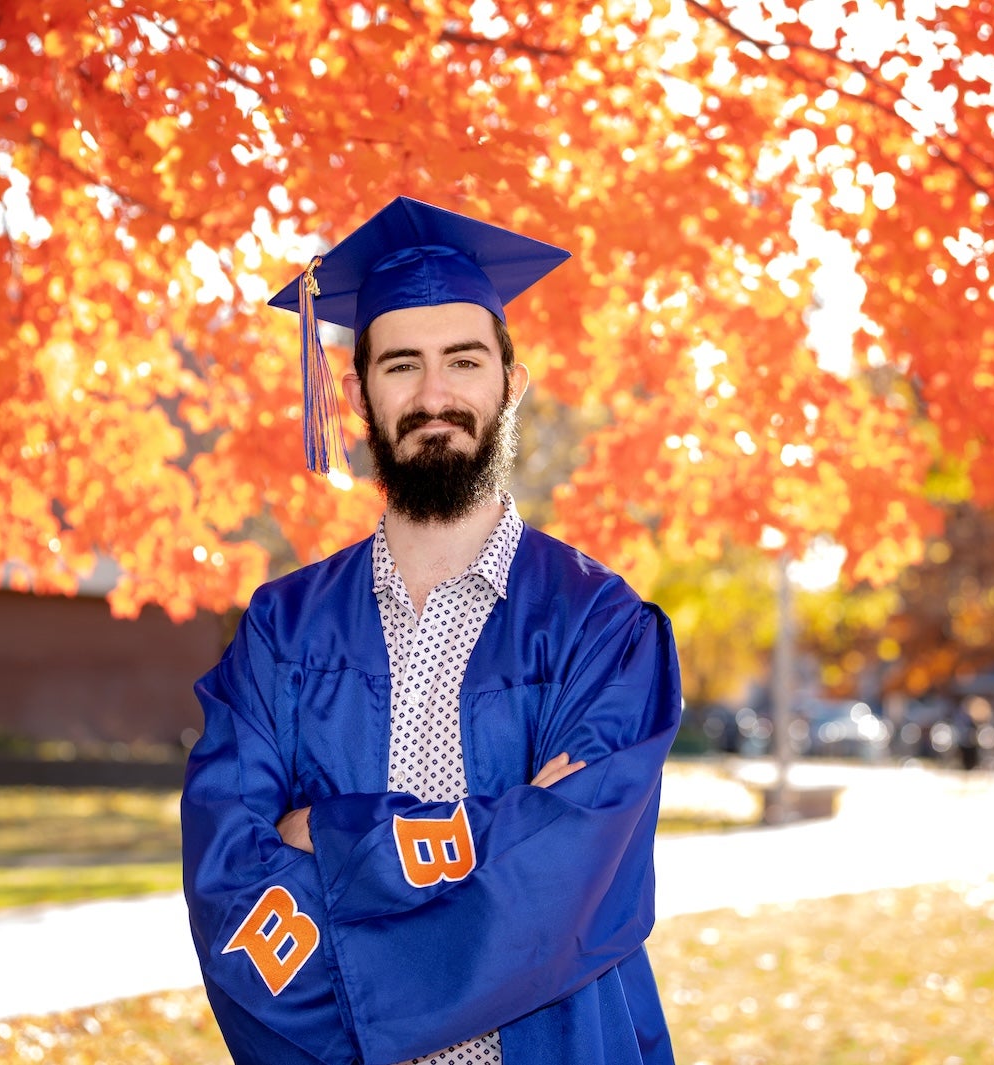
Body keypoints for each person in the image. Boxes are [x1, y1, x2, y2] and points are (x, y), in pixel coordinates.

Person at [180, 197, 683, 1065]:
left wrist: (326, 839)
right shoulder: (280, 631)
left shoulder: (601, 627)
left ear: (510, 384)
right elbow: (229, 885)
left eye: (464, 360)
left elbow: (565, 886)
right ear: (358, 393)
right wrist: (505, 823)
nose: (435, 394)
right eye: (402, 365)